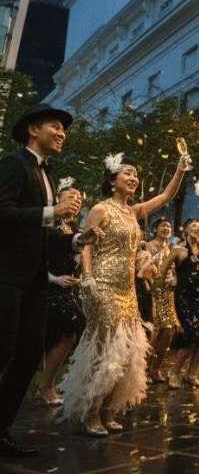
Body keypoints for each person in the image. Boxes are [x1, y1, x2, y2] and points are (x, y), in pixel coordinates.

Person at [61, 150, 190, 436]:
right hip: (102, 286)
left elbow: (166, 197)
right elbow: (86, 245)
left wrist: (180, 169)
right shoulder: (100, 209)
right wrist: (89, 278)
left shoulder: (134, 212)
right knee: (106, 349)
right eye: (127, 173)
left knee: (126, 351)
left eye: (135, 174)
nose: (133, 178)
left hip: (127, 289)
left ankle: (109, 410)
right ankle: (91, 412)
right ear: (112, 179)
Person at [0, 104, 102, 458]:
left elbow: (41, 234)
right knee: (4, 351)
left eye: (64, 129)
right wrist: (52, 212)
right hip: (9, 277)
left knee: (29, 355)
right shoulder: (15, 164)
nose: (62, 134)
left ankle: (1, 430)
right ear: (33, 129)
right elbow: (4, 213)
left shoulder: (50, 174)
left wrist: (77, 240)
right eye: (55, 127)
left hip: (35, 282)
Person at [38, 177, 87, 407]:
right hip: (44, 286)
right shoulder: (49, 223)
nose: (75, 201)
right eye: (70, 197)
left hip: (67, 289)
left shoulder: (75, 227)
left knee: (70, 329)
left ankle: (48, 383)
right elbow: (36, 258)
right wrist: (55, 279)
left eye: (78, 198)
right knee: (70, 325)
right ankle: (46, 385)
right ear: (57, 199)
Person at [157, 217, 199, 389]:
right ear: (187, 230)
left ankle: (191, 374)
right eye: (195, 226)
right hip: (183, 297)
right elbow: (162, 270)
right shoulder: (178, 250)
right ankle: (174, 373)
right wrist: (167, 283)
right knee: (190, 336)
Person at [137, 216, 179, 383]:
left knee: (168, 331)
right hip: (151, 293)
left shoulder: (171, 249)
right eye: (163, 226)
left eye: (168, 226)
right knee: (152, 332)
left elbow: (174, 270)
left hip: (167, 293)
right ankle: (144, 370)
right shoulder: (147, 246)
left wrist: (173, 279)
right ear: (156, 229)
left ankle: (156, 369)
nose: (166, 228)